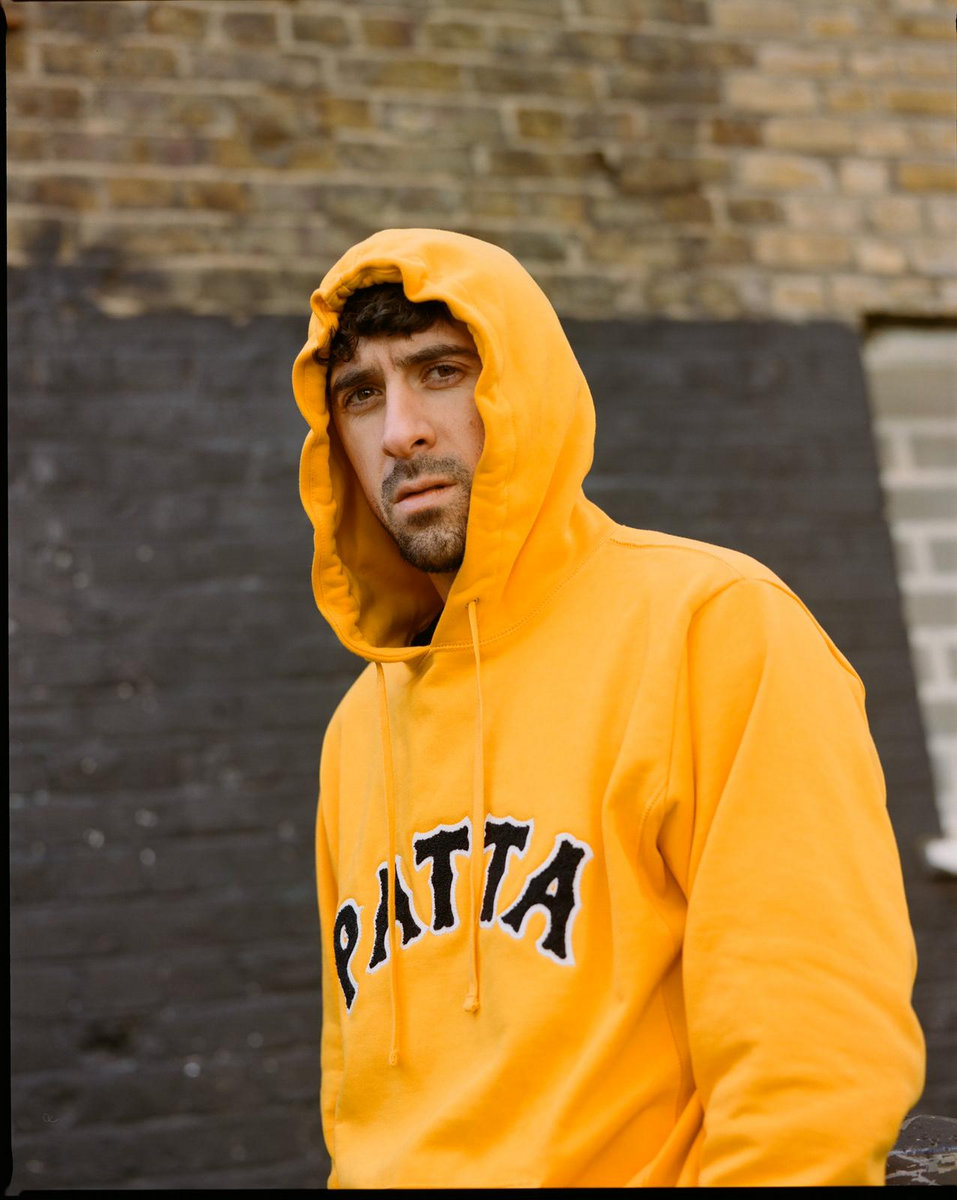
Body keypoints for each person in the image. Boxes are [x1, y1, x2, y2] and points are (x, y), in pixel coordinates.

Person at [291, 228, 925, 1188]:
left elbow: (813, 1049)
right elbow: (356, 1094)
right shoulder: (358, 726)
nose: (400, 432)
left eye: (441, 372)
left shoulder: (712, 627)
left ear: (524, 388)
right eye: (360, 395)